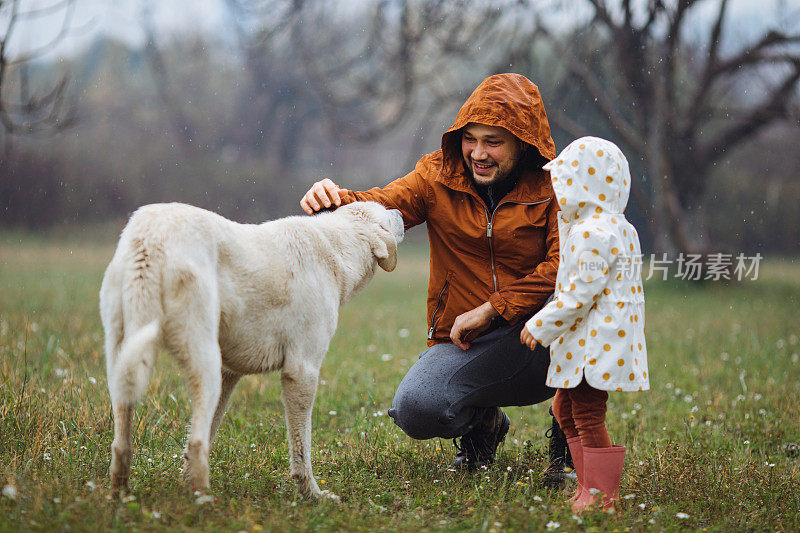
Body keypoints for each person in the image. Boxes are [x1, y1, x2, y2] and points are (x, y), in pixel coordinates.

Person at [300, 73, 572, 481]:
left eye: (494, 142)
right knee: (417, 408)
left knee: (584, 299)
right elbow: (381, 206)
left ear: (523, 142)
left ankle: (568, 444)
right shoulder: (436, 176)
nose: (478, 153)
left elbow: (562, 265)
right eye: (470, 139)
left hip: (546, 342)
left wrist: (494, 310)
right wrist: (333, 200)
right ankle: (484, 425)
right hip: (471, 342)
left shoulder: (559, 186)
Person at [520, 136, 649, 512]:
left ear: (584, 187)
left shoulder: (591, 232)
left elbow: (580, 293)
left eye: (562, 184)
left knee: (588, 413)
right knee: (564, 409)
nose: (557, 194)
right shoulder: (621, 227)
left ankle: (601, 495)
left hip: (595, 343)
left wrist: (541, 324)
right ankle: (587, 486)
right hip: (597, 339)